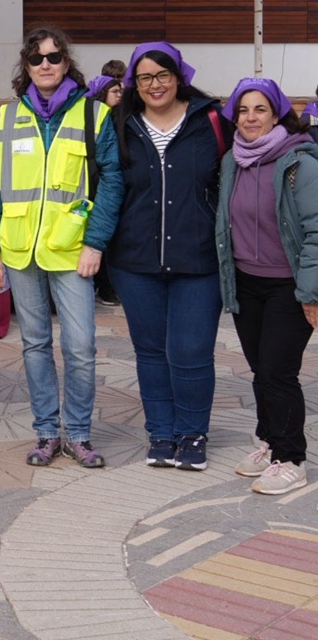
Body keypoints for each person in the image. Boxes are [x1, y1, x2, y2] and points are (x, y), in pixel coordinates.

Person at [0, 27, 123, 469]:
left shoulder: (91, 115)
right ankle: (46, 433)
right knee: (35, 345)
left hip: (72, 251)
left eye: (55, 58)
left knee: (80, 346)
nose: (46, 65)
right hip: (20, 249)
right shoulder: (6, 117)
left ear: (67, 64)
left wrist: (96, 242)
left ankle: (78, 434)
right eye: (37, 58)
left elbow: (113, 181)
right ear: (26, 66)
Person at [107, 42, 229, 471]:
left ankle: (192, 433)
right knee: (151, 352)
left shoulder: (212, 120)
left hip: (199, 260)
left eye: (162, 75)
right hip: (135, 261)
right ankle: (161, 431)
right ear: (133, 84)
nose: (154, 84)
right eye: (144, 77)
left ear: (179, 76)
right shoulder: (120, 123)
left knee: (192, 351)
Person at [216, 78, 318, 495]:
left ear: (276, 114)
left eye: (260, 109)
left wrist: (311, 293)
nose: (251, 117)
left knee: (278, 371)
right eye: (243, 110)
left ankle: (291, 457)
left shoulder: (300, 163)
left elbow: (315, 230)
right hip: (246, 282)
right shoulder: (231, 162)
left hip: (288, 287)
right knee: (261, 370)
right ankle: (270, 442)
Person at [85, 73, 125, 307]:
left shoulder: (119, 117)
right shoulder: (94, 118)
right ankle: (104, 287)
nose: (121, 95)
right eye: (115, 92)